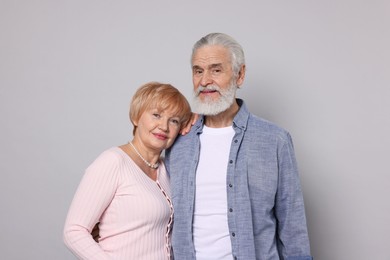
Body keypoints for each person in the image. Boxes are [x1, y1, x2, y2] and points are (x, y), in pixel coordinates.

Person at [165, 33, 313, 260]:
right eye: (198, 71)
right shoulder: (176, 141)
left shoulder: (275, 140)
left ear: (240, 75)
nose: (205, 81)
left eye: (216, 70)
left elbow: (292, 227)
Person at [63, 82, 192, 260]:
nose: (164, 126)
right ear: (136, 117)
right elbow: (74, 231)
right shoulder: (113, 162)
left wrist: (199, 120)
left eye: (174, 120)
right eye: (156, 115)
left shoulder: (166, 169)